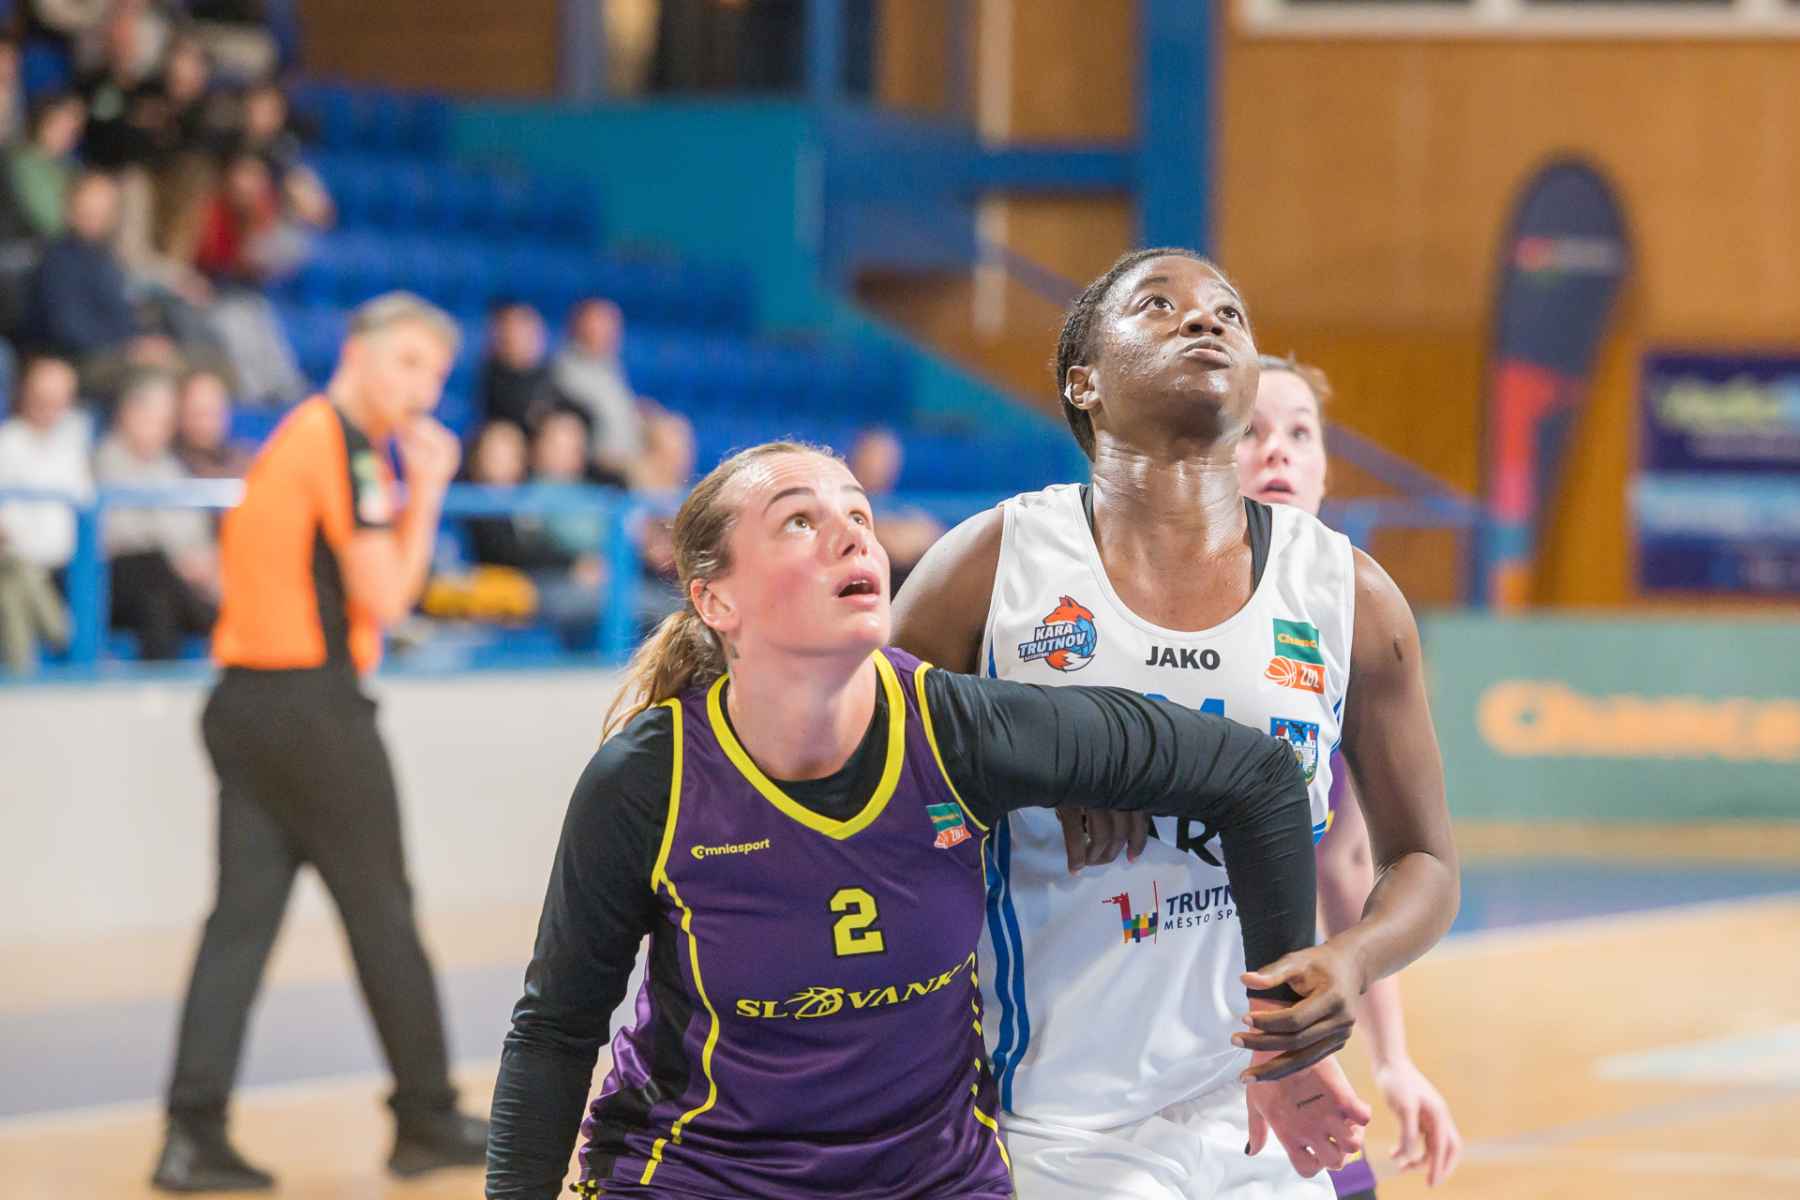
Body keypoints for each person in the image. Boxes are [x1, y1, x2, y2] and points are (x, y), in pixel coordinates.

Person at [485, 440, 1367, 1199]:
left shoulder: (957, 730)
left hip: (931, 1178)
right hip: (702, 1172)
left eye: (858, 515)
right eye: (799, 521)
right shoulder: (651, 780)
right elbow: (556, 1029)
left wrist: (1284, 1045)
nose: (850, 535)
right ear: (716, 601)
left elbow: (1258, 776)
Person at [892, 248, 1460, 1198]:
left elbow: (1425, 862)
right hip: (1056, 1120)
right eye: (1158, 306)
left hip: (1267, 1115)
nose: (1206, 321)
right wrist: (1034, 761)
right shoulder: (994, 566)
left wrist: (1350, 961)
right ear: (1084, 382)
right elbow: (864, 779)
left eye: (1230, 314)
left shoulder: (1349, 593)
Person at [152, 293, 490, 1192]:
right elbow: (387, 596)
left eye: (436, 375)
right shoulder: (346, 446)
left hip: (243, 705)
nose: (424, 391)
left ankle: (191, 1132)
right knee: (384, 915)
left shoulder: (295, 436)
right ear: (358, 352)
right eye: (409, 364)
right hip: (312, 712)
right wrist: (430, 492)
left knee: (239, 928)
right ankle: (425, 1118)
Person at [1237, 355, 1463, 1195]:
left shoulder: (1349, 620)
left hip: (1278, 1022)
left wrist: (1394, 1059)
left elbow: (1348, 866)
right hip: (1157, 1019)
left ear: (1327, 470)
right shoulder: (1153, 617)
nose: (1277, 451)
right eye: (1249, 431)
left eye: (1301, 433)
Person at [94, 370, 218, 660]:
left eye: (166, 422)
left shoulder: (171, 468)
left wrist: (197, 559)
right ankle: (217, 623)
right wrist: (178, 559)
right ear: (128, 414)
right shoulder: (103, 462)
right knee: (152, 566)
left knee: (160, 601)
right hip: (114, 578)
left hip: (168, 584)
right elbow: (118, 535)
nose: (161, 429)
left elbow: (194, 532)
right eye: (153, 418)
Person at [0, 356, 86, 672]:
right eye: (43, 398)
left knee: (14, 583)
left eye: (58, 400)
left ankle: (24, 670)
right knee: (13, 578)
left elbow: (85, 503)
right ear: (26, 394)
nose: (49, 407)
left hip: (66, 563)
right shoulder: (6, 442)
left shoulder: (73, 441)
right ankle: (63, 635)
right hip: (17, 557)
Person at [549, 297, 642, 478]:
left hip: (628, 454)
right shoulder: (565, 370)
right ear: (579, 326)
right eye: (599, 323)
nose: (607, 331)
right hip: (598, 460)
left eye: (611, 324)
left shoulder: (609, 366)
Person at [846, 426, 942, 594]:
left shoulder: (900, 509)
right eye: (874, 455)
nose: (880, 464)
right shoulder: (841, 501)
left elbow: (938, 541)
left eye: (887, 457)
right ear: (856, 455)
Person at [481, 299, 557, 432]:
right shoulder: (491, 377)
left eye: (525, 329)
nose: (514, 336)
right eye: (509, 329)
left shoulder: (554, 375)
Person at [173, 367, 252, 479]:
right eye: (199, 414)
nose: (207, 423)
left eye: (215, 412)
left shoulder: (245, 459)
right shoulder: (169, 468)